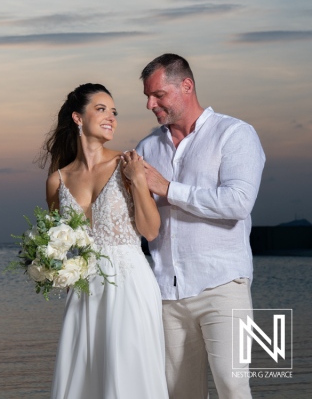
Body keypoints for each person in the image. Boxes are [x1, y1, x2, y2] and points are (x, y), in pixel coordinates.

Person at [135, 54, 265, 399]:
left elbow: (237, 202)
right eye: (148, 96)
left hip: (222, 285)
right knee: (179, 393)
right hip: (165, 294)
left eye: (158, 95)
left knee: (233, 386)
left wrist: (167, 189)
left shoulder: (235, 134)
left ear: (186, 86)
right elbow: (138, 218)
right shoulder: (147, 148)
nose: (150, 104)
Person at [41, 83, 169, 399]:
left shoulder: (127, 164)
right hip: (84, 291)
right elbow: (61, 243)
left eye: (114, 112)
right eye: (101, 109)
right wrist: (52, 268)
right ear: (77, 117)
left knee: (128, 376)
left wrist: (139, 180)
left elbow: (151, 231)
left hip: (129, 283)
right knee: (83, 378)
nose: (111, 117)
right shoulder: (57, 180)